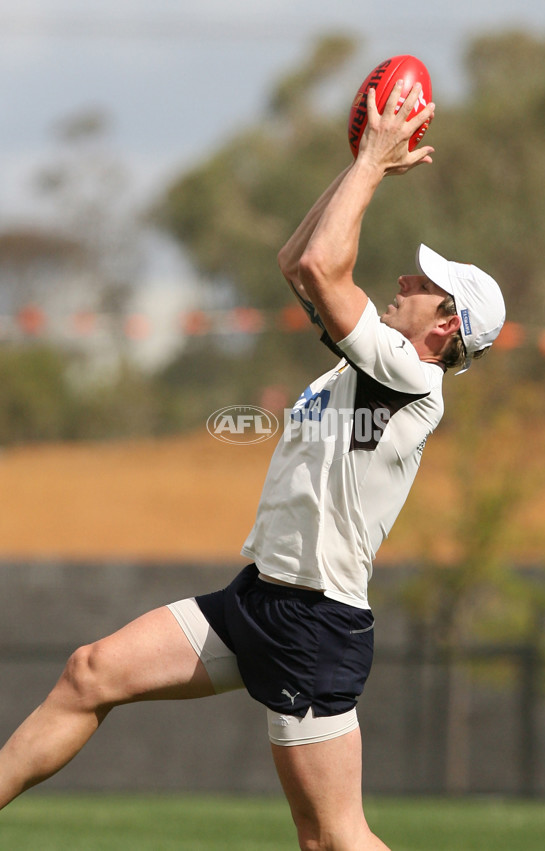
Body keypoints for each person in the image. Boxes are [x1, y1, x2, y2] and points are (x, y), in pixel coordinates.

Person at [0, 81, 504, 849]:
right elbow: (299, 263)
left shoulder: (408, 375)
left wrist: (372, 160)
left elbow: (328, 268)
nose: (405, 282)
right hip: (260, 598)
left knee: (334, 838)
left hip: (314, 621)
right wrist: (358, 168)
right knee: (89, 672)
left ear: (445, 325)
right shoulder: (366, 367)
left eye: (423, 285)